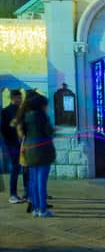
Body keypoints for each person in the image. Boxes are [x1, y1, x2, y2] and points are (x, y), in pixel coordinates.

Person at [17, 91, 56, 219]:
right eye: (46, 105)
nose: (47, 107)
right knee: (41, 182)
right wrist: (54, 130)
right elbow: (48, 131)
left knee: (33, 181)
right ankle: (43, 210)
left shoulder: (25, 116)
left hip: (30, 151)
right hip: (43, 152)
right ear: (41, 105)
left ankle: (35, 208)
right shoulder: (42, 116)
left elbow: (23, 134)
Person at [1, 87, 24, 204]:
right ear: (12, 98)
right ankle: (13, 194)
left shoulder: (22, 110)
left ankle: (27, 193)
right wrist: (10, 140)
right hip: (11, 144)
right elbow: (3, 128)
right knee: (15, 167)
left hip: (23, 143)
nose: (20, 99)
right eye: (18, 97)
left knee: (24, 167)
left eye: (21, 97)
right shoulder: (5, 111)